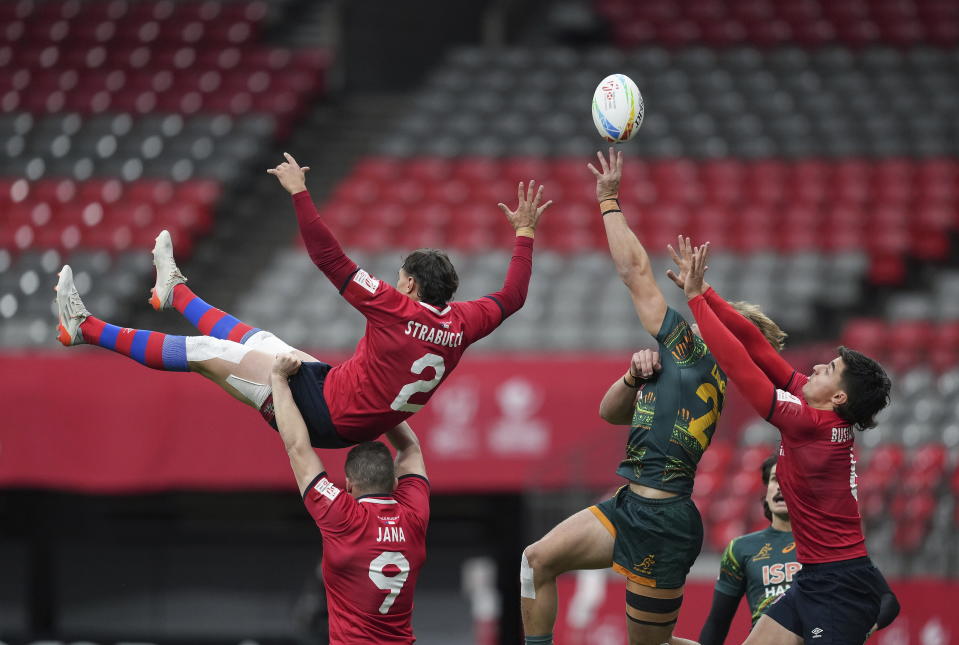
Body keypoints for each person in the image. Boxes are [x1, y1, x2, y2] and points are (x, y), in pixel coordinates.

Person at [54, 153, 551, 447]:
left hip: (322, 414)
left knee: (208, 352)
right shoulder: (462, 323)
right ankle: (175, 291)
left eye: (399, 276)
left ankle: (84, 328)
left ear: (411, 286)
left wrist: (299, 192)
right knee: (262, 339)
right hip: (335, 394)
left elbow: (330, 259)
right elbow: (514, 296)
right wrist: (525, 233)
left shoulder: (395, 308)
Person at [519, 149, 782, 645]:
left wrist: (610, 201)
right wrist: (631, 380)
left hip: (665, 522)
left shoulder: (696, 353)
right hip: (627, 507)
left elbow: (636, 273)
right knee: (537, 559)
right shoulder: (686, 362)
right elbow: (608, 413)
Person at [674, 238, 897, 645]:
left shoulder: (809, 424)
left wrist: (696, 303)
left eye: (828, 368)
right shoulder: (816, 412)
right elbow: (757, 345)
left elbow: (741, 367)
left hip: (841, 588)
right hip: (815, 578)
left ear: (839, 397)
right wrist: (705, 292)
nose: (814, 366)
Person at [271, 352, 428, 644]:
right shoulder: (414, 516)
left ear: (349, 485)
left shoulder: (342, 516)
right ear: (395, 483)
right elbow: (411, 449)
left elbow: (299, 448)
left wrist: (279, 379)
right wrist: (379, 404)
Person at [697, 455, 899, 645]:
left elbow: (888, 600)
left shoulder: (830, 541)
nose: (780, 487)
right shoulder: (740, 549)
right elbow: (717, 623)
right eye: (775, 480)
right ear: (766, 491)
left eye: (789, 480)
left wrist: (864, 629)